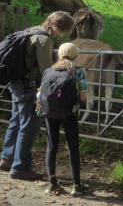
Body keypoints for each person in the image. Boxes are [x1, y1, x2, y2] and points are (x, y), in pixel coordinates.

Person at [0, 11, 75, 180]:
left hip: (16, 82)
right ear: (58, 27)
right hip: (28, 87)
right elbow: (46, 72)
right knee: (29, 126)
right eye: (64, 31)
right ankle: (20, 168)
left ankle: (7, 159)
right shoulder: (45, 40)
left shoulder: (32, 30)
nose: (63, 36)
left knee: (16, 121)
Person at [37, 42, 90, 196]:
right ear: (75, 56)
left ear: (59, 54)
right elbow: (83, 96)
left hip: (50, 113)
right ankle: (76, 185)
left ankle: (52, 183)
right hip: (70, 113)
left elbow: (41, 93)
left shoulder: (48, 71)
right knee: (73, 147)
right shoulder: (78, 72)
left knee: (52, 146)